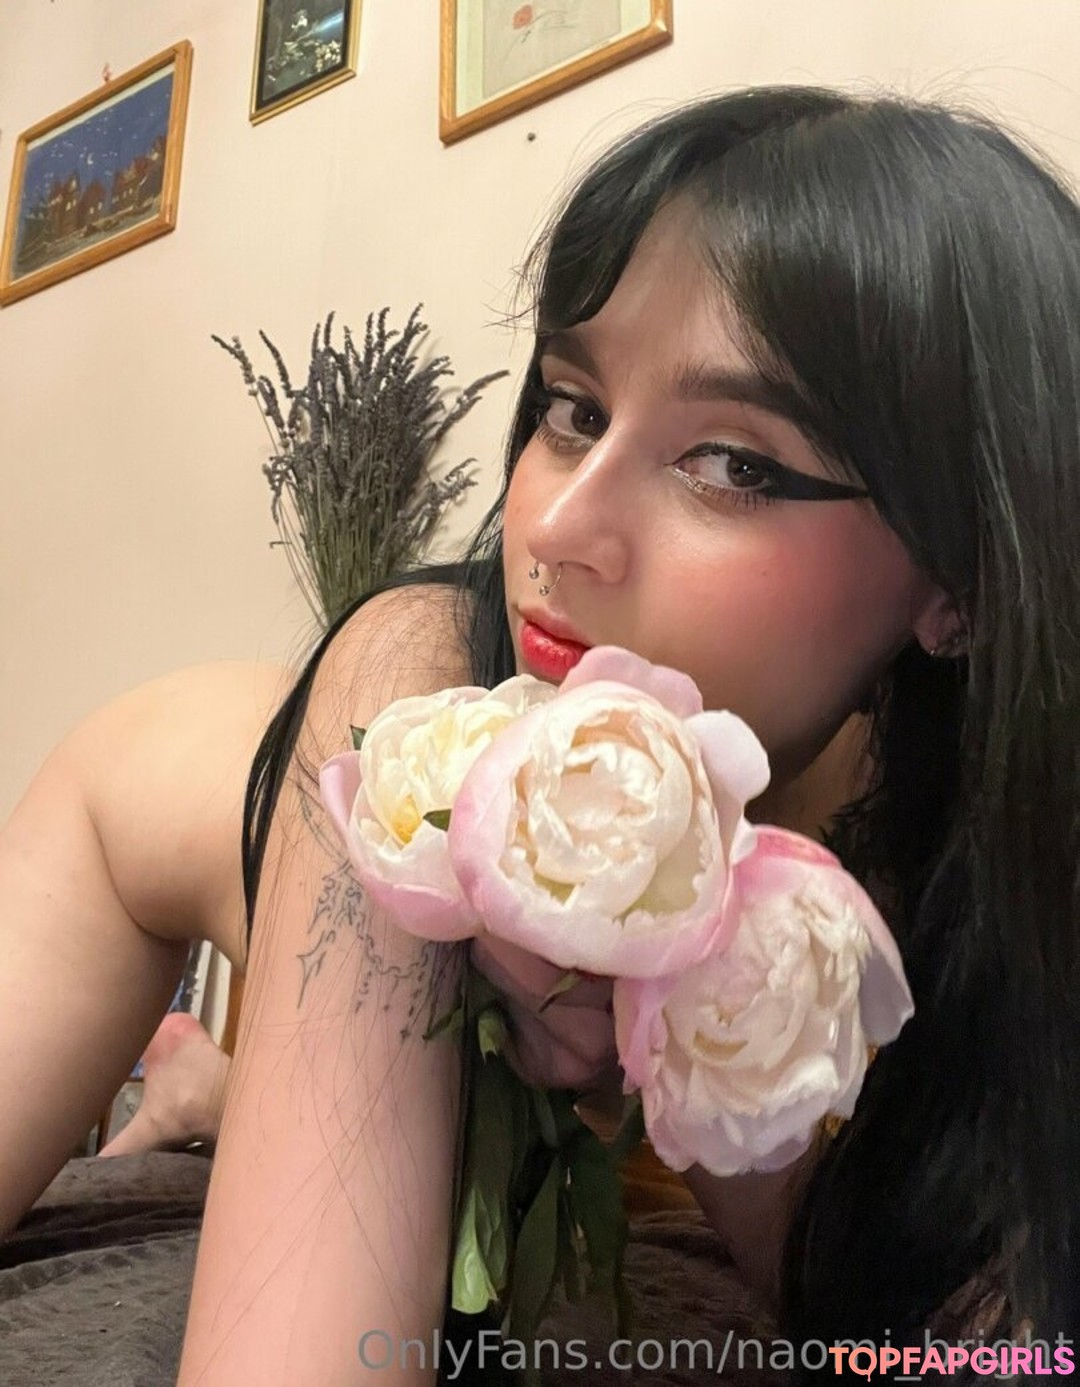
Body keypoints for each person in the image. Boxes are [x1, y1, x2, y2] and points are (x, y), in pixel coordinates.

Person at [2, 83, 1078, 1382]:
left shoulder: (969, 850)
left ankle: (213, 1088)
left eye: (733, 463)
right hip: (133, 831)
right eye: (573, 408)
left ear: (958, 581)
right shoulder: (411, 692)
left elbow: (913, 1308)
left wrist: (673, 999)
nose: (559, 528)